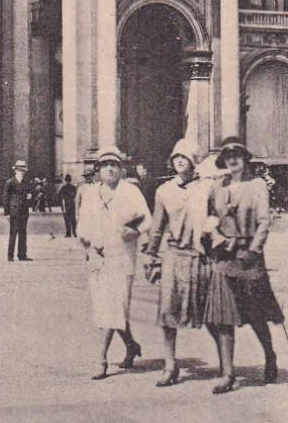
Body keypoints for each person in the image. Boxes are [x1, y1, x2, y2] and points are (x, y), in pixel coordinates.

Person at [203, 136, 284, 394]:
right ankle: (228, 374)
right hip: (224, 257)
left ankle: (270, 356)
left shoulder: (257, 185)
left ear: (245, 158)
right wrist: (214, 238)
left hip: (249, 257)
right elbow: (210, 217)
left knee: (256, 314)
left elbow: (263, 222)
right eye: (228, 156)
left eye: (237, 154)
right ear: (223, 161)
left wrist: (253, 250)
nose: (233, 159)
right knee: (222, 317)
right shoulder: (218, 187)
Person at [77, 146, 152, 379]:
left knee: (113, 306)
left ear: (121, 169)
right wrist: (88, 247)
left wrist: (135, 232)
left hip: (122, 257)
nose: (110, 168)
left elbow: (146, 220)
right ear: (98, 169)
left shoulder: (130, 191)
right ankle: (131, 345)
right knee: (106, 307)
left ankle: (101, 359)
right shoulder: (90, 194)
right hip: (98, 258)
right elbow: (83, 226)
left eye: (114, 165)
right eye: (105, 165)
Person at [144, 139, 212, 387]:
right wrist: (151, 256)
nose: (180, 161)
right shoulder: (164, 191)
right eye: (176, 157)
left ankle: (227, 367)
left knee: (212, 314)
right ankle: (170, 367)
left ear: (193, 161)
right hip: (173, 257)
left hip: (200, 258)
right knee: (167, 314)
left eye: (185, 157)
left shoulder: (207, 188)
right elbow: (157, 227)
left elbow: (217, 218)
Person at [3, 160, 33, 261]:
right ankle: (10, 256)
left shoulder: (27, 182)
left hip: (24, 211)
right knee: (13, 233)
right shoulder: (10, 182)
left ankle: (22, 255)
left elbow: (30, 193)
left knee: (23, 233)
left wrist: (30, 196)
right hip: (14, 211)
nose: (21, 172)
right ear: (15, 171)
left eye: (23, 170)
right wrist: (6, 213)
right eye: (19, 170)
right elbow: (6, 198)